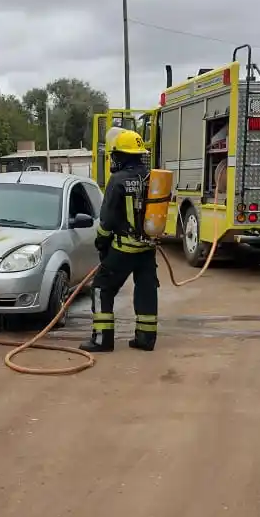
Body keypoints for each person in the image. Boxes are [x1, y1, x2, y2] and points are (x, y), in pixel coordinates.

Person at [81, 129, 159, 353]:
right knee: (146, 290)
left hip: (123, 249)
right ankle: (146, 339)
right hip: (147, 248)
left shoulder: (117, 181)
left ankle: (102, 340)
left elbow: (107, 221)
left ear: (122, 156)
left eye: (116, 155)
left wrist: (101, 245)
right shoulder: (152, 178)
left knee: (101, 288)